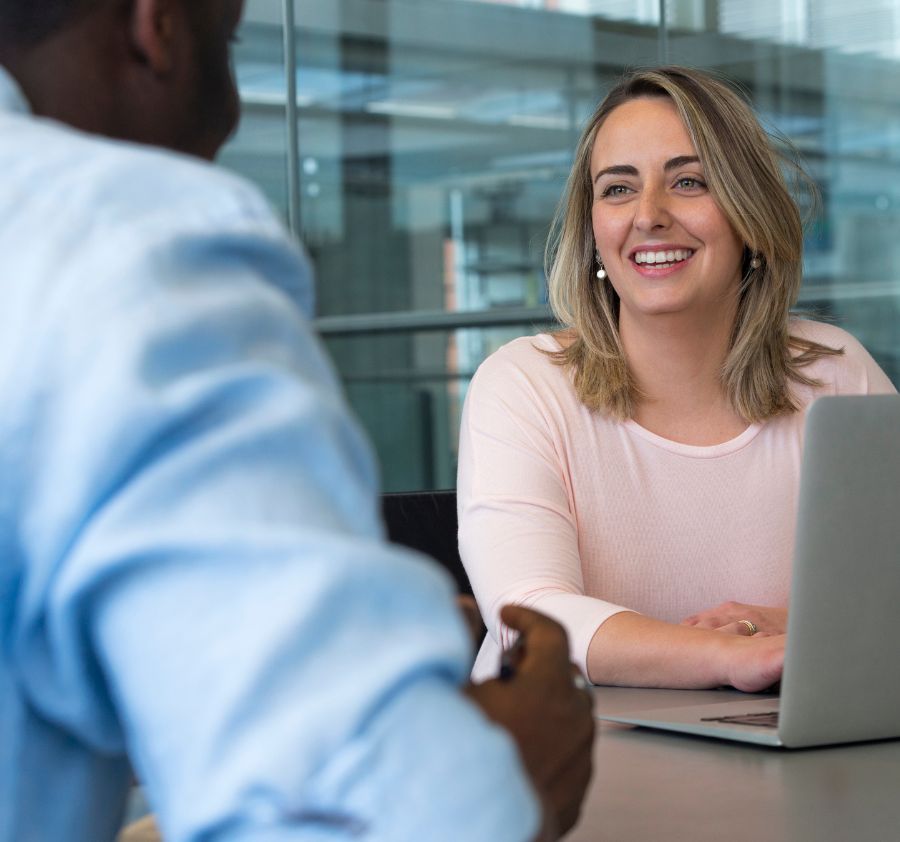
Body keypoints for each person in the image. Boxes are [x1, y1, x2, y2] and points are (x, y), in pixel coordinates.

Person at [0, 2, 595, 840]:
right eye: (231, 43)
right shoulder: (120, 249)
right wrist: (513, 770)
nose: (235, 110)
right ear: (154, 27)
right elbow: (371, 818)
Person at [458, 66, 897, 692]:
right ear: (592, 231)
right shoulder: (522, 385)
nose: (649, 215)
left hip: (783, 759)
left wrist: (786, 627)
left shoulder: (834, 371)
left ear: (749, 215)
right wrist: (731, 658)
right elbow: (531, 618)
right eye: (617, 190)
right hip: (566, 761)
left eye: (689, 181)